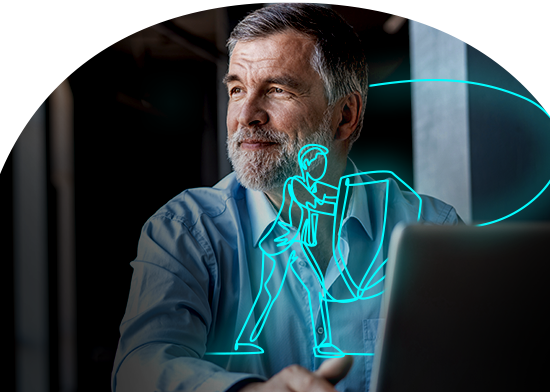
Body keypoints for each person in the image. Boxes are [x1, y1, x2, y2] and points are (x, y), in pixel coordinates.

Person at [112, 3, 462, 392]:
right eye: (237, 89)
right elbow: (141, 367)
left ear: (344, 115)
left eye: (277, 90)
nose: (246, 115)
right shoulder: (186, 232)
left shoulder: (431, 231)